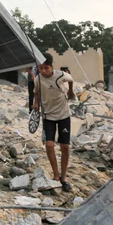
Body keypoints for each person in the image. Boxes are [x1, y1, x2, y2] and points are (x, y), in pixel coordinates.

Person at [32, 55, 75, 192]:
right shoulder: (37, 79)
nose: (43, 71)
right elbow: (37, 92)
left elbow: (71, 79)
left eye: (46, 68)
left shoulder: (60, 76)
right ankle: (56, 175)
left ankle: (64, 177)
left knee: (65, 147)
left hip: (63, 115)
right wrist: (36, 104)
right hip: (48, 116)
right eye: (41, 68)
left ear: (52, 67)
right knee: (49, 145)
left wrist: (71, 92)